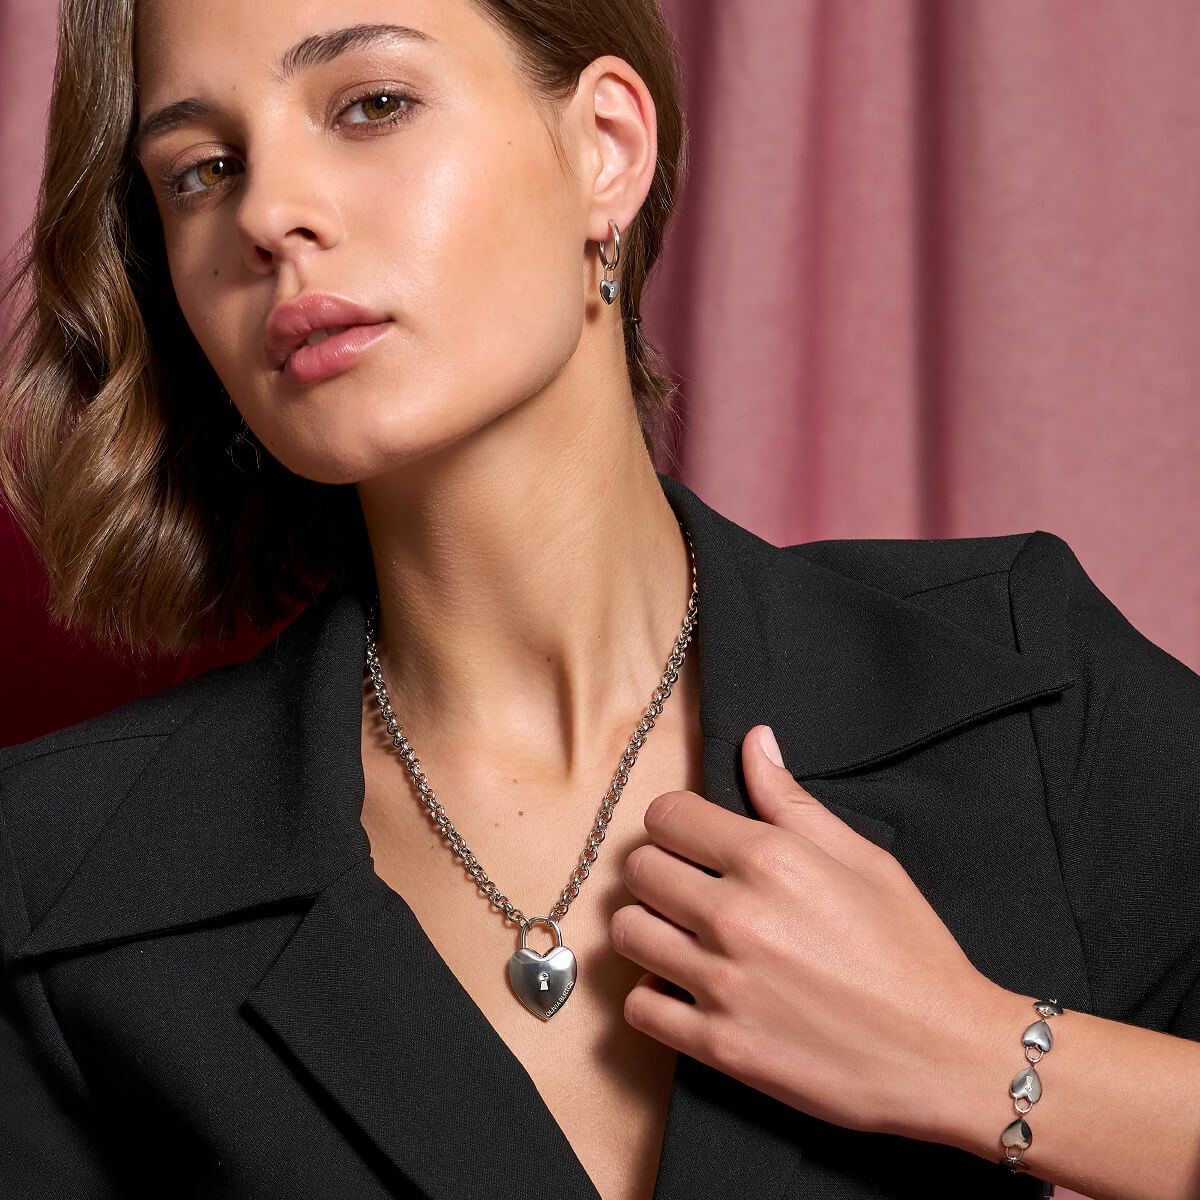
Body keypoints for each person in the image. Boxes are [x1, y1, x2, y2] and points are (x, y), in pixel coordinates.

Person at [1, 2, 1198, 1198]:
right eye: (203, 171)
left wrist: (976, 1057)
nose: (267, 214)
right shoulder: (60, 879)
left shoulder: (1015, 685)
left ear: (606, 149)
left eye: (371, 105)